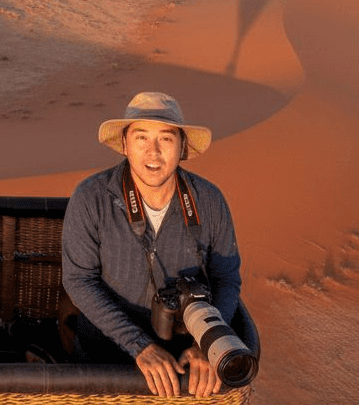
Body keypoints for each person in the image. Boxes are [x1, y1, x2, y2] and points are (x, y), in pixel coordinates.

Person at [62, 92, 243, 398]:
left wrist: (207, 344)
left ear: (182, 147)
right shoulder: (91, 197)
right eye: (141, 138)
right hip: (103, 360)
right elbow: (79, 281)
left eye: (166, 139)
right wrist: (140, 346)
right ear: (124, 144)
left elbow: (227, 279)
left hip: (183, 366)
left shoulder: (209, 201)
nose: (153, 152)